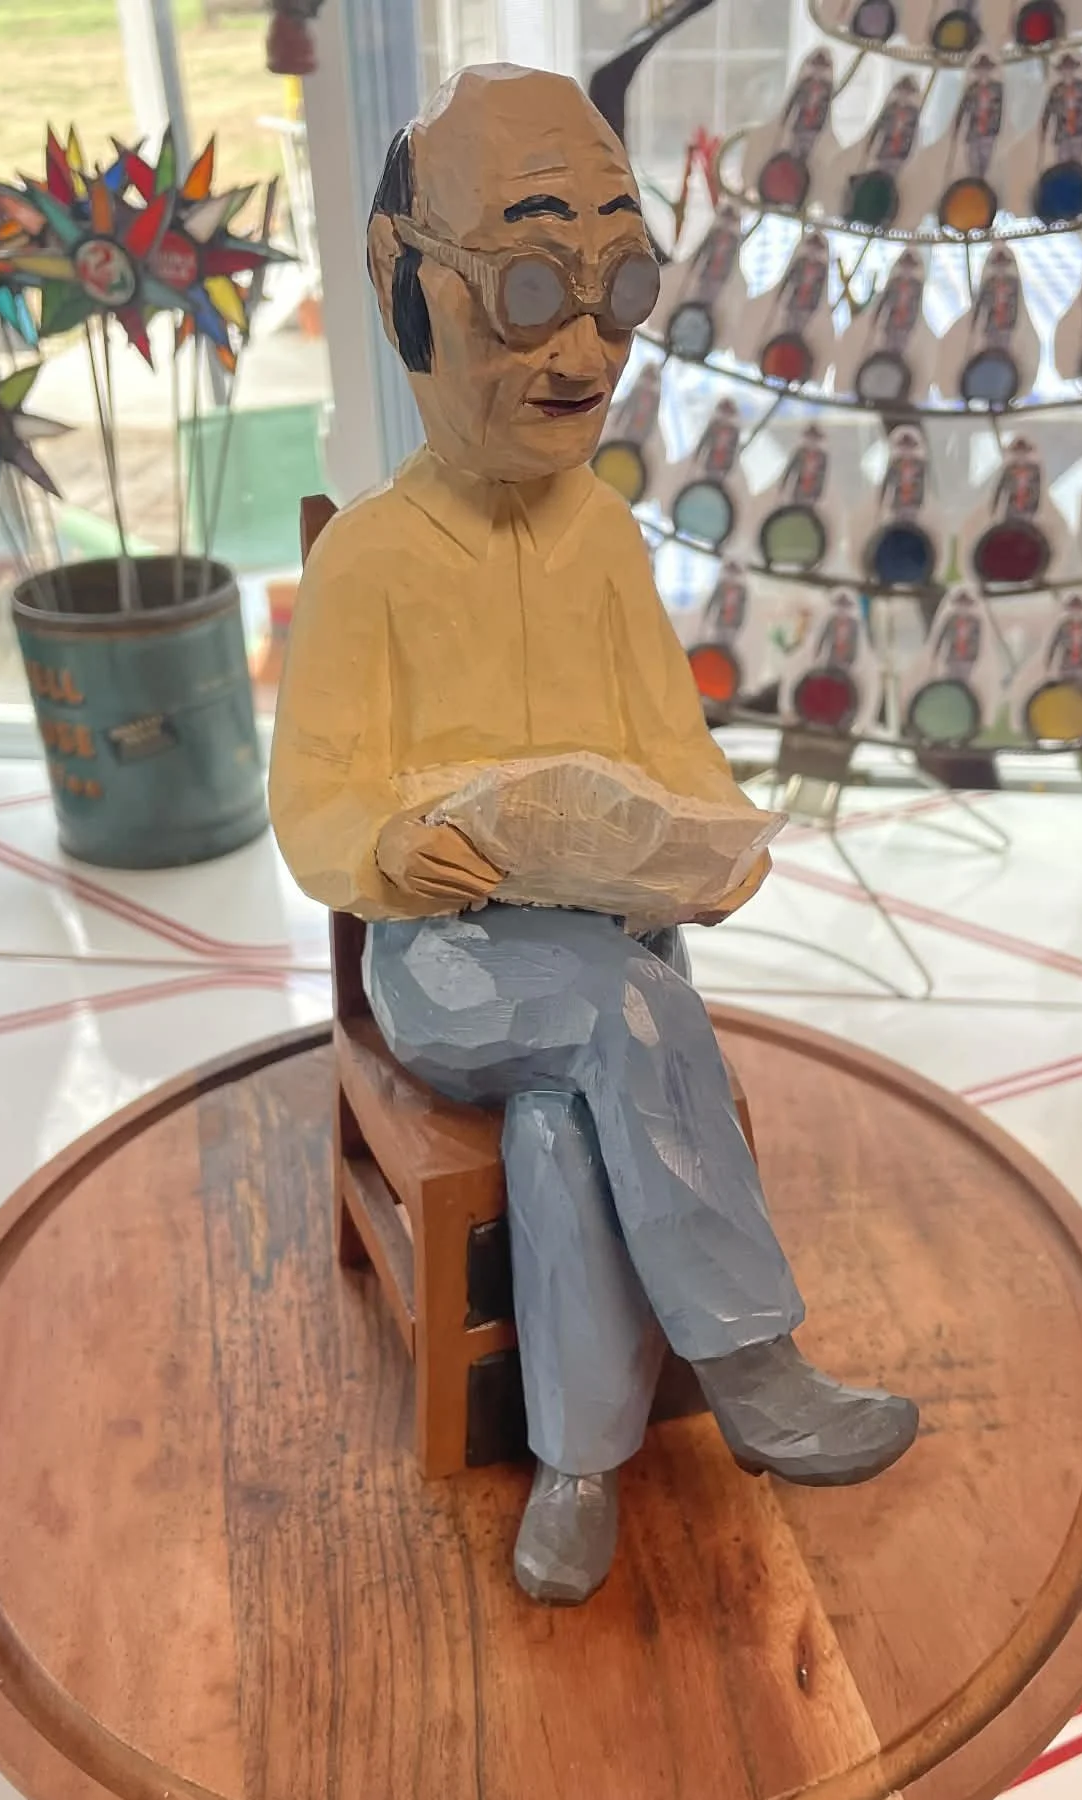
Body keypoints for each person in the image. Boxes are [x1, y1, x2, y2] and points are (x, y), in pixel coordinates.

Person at [270, 66, 916, 1606]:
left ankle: (575, 1465)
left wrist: (718, 839)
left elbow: (671, 748)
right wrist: (390, 848)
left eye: (617, 288)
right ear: (409, 292)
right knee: (631, 1017)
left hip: (614, 943)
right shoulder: (367, 563)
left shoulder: (611, 537)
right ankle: (754, 1368)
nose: (582, 350)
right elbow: (311, 804)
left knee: (571, 1115)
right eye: (531, 285)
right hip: (452, 965)